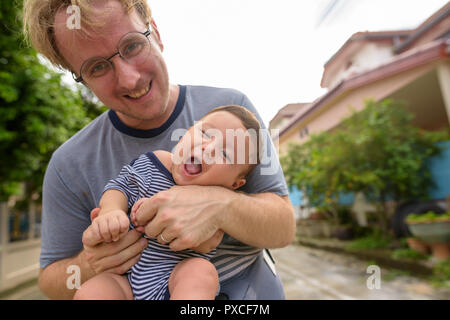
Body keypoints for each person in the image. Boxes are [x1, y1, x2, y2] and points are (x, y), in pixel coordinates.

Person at [23, 0, 296, 300]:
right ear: (81, 78)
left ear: (155, 32)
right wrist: (94, 263)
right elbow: (50, 279)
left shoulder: (235, 115)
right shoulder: (67, 164)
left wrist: (219, 205)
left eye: (132, 46)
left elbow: (283, 227)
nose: (129, 78)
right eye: (97, 67)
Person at [75, 105, 263, 300]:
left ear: (234, 184)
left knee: (201, 272)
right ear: (185, 133)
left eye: (226, 154)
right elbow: (120, 187)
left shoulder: (216, 200)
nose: (208, 148)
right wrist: (111, 211)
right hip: (124, 281)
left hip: (171, 282)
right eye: (205, 133)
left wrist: (169, 215)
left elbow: (207, 244)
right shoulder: (155, 162)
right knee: (91, 292)